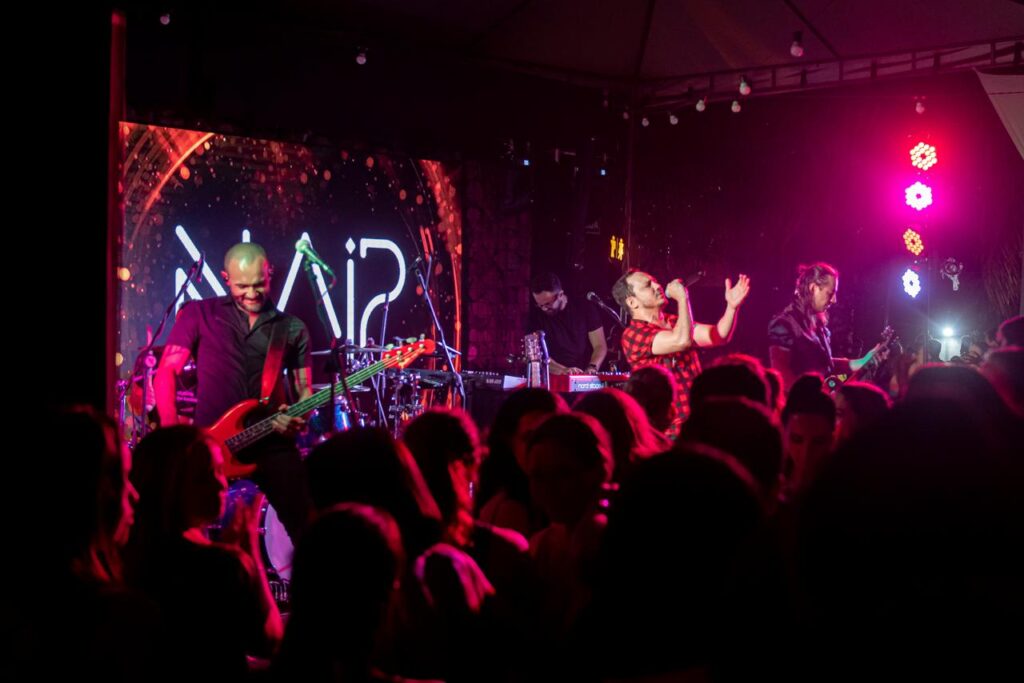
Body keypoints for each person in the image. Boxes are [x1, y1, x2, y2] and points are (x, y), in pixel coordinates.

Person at [155, 242, 313, 540]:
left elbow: (305, 390)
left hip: (270, 439)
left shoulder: (292, 328)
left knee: (307, 523)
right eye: (242, 286)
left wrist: (298, 415)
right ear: (225, 278)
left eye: (259, 284)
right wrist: (173, 437)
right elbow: (166, 372)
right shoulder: (199, 314)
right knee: (179, 527)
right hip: (210, 443)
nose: (252, 294)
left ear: (270, 273)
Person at [612, 268, 751, 428]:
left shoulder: (675, 322)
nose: (657, 286)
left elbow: (718, 336)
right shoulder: (633, 334)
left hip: (698, 418)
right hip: (670, 427)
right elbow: (682, 340)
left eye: (655, 282)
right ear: (632, 302)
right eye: (648, 285)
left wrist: (731, 308)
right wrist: (682, 298)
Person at [768, 262, 880, 392]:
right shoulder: (783, 324)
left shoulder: (818, 326)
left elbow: (825, 364)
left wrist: (862, 361)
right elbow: (781, 376)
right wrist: (815, 397)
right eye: (830, 293)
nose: (834, 300)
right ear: (813, 288)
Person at [528, 272, 607, 375]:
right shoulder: (535, 316)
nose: (544, 308)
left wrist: (592, 367)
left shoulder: (585, 308)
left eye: (548, 304)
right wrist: (563, 371)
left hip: (584, 372)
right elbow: (536, 355)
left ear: (560, 295)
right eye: (540, 305)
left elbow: (600, 345)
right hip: (552, 376)